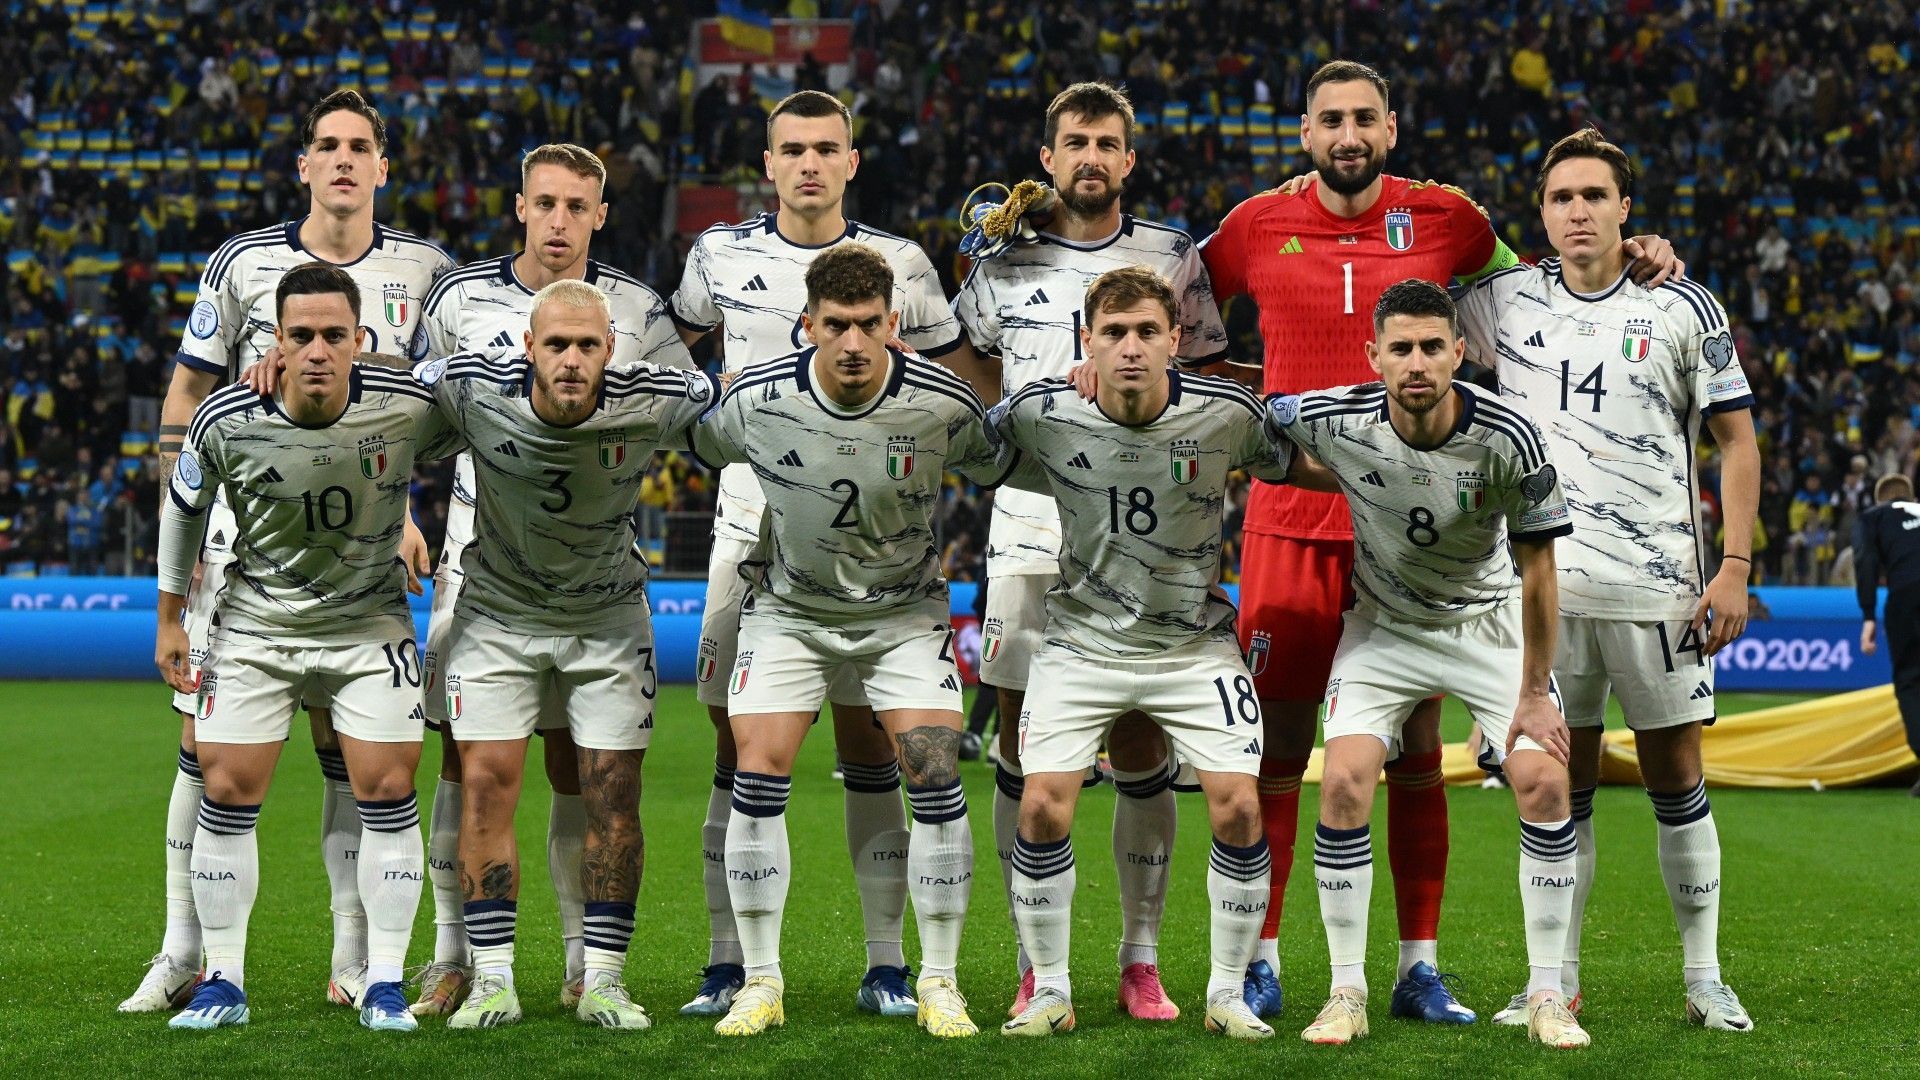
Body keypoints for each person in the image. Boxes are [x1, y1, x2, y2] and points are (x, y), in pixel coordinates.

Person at [1198, 59, 1679, 1020]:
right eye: (1329, 119)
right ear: (1304, 132)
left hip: (1420, 535)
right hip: (1292, 522)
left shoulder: (1450, 218)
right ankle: (1265, 955)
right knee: (1284, 749)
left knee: (1416, 747)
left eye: (1364, 119)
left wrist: (1630, 255)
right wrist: (1243, 385)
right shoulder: (1253, 224)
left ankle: (1417, 966)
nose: (1348, 135)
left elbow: (1537, 290)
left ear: (1390, 127)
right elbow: (1178, 314)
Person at [128, 87, 450, 1016]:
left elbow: (424, 415)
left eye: (360, 147)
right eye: (326, 146)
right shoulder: (242, 264)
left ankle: (357, 955)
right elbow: (185, 404)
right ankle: (183, 951)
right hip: (245, 536)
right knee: (204, 750)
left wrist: (403, 510)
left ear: (383, 167)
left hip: (361, 537)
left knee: (352, 752)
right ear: (303, 164)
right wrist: (181, 556)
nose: (343, 160)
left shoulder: (427, 270)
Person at [668, 89, 980, 1019]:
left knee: (874, 747)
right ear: (768, 163)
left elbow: (952, 387)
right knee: (738, 745)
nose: (809, 163)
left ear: (852, 160)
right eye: (792, 149)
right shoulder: (717, 255)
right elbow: (668, 355)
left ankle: (888, 962)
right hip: (749, 519)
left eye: (826, 148)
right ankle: (731, 962)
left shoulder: (906, 268)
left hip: (878, 536)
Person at [1457, 127, 1759, 1032]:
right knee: (1561, 783)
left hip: (1660, 585)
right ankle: (1556, 979)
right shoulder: (1501, 301)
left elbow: (1736, 441)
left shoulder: (1684, 306)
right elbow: (1410, 316)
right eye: (1561, 198)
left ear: (1627, 210)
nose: (1577, 211)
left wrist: (1734, 567)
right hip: (1544, 592)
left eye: (1594, 196)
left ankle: (1704, 976)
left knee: (1677, 777)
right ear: (1540, 213)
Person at [952, 82, 1230, 1019]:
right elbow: (968, 363)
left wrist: (1114, 382)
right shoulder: (1002, 255)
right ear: (1047, 157)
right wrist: (1043, 416)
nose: (1091, 158)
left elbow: (1208, 372)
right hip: (1033, 520)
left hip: (1150, 522)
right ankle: (1039, 960)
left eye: (1108, 143)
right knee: (1028, 746)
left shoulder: (1171, 255)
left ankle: (1140, 958)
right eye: (1075, 142)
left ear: (1129, 160)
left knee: (1143, 734)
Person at [405, 142, 694, 1017]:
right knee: (466, 764)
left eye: (578, 205)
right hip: (479, 545)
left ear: (600, 215)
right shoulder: (457, 299)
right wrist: (402, 517)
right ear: (520, 207)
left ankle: (585, 967)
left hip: (597, 560)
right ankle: (457, 957)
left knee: (585, 769)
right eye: (545, 204)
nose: (560, 220)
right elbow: (403, 407)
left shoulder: (639, 309)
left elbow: (691, 404)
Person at [991, 266, 1313, 1041]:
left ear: (1176, 340)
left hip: (1192, 644)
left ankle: (1228, 991)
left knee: (1239, 805)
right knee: (1039, 804)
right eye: (1113, 334)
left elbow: (1305, 461)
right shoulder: (1042, 411)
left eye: (1145, 333)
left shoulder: (1225, 415)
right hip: (1080, 641)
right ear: (1087, 344)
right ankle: (1051, 990)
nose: (1130, 348)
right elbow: (955, 440)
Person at [1267, 279, 1587, 1049]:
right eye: (1401, 348)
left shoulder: (1511, 435)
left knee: (1544, 777)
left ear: (1459, 352)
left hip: (1487, 622)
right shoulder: (1334, 414)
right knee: (1343, 780)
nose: (1417, 363)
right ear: (1372, 355)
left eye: (1432, 347)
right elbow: (1248, 413)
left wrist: (1536, 693)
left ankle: (1548, 992)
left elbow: (1540, 570)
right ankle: (1348, 992)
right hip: (1385, 626)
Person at [1855, 473, 1920, 797]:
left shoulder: (1875, 517)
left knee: (1911, 681)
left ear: (1882, 500)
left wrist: (1868, 615)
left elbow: (1865, 562)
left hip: (1907, 598)